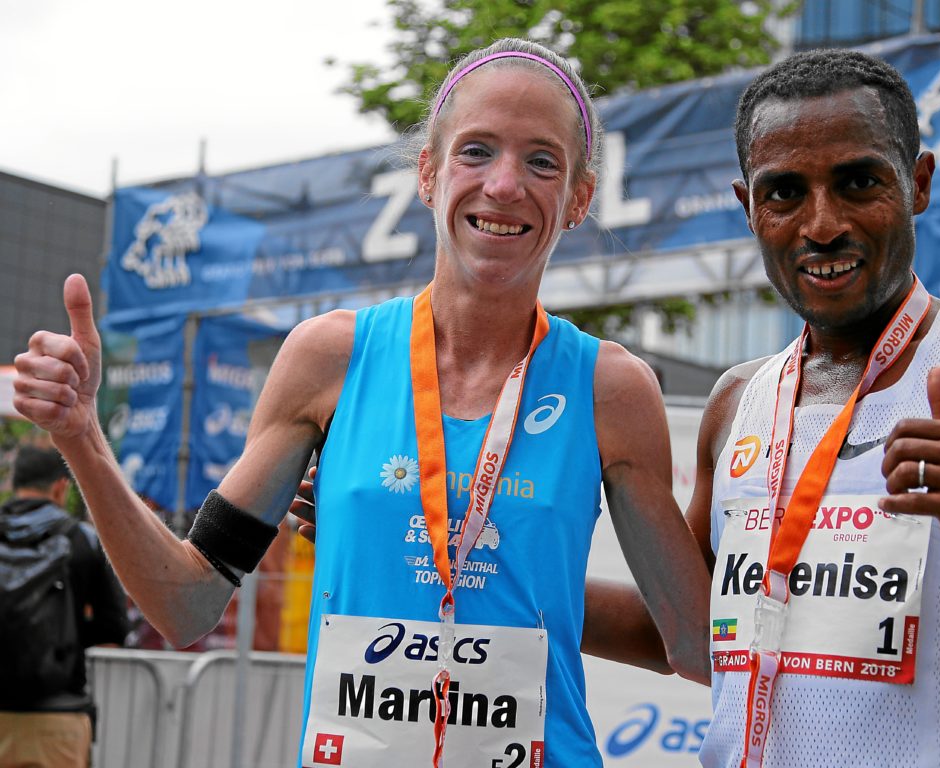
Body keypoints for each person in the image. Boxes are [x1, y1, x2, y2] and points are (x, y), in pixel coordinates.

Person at [12, 38, 710, 767]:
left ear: (578, 199)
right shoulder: (329, 359)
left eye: (542, 161)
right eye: (476, 152)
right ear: (428, 174)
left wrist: (540, 586)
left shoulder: (611, 389)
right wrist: (82, 438)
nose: (505, 185)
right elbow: (185, 603)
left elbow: (687, 642)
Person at [680, 50, 940, 766]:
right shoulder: (737, 402)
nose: (823, 224)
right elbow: (682, 633)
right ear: (749, 209)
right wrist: (502, 573)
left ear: (918, 183)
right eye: (784, 194)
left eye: (859, 182)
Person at [0, 446, 128, 768]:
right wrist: (64, 634)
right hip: (58, 716)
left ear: (14, 484)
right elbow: (114, 627)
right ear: (61, 486)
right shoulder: (81, 539)